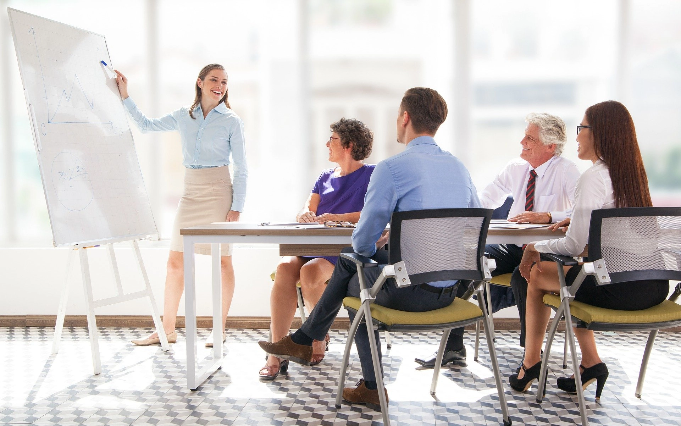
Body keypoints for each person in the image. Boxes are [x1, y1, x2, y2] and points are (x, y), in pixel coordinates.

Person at [259, 87, 480, 409]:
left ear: (405, 118)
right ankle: (308, 342)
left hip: (408, 292)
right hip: (452, 291)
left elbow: (363, 242)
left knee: (354, 272)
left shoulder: (392, 168)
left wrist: (378, 242)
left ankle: (349, 369)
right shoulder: (459, 168)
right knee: (354, 267)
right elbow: (471, 227)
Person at [509, 101, 669, 400]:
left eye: (582, 128)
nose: (578, 136)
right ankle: (590, 363)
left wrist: (534, 246)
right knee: (570, 279)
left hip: (619, 290)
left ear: (600, 134)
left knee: (536, 273)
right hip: (655, 286)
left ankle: (530, 364)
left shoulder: (593, 177)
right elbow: (611, 235)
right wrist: (583, 224)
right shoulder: (632, 175)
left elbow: (571, 245)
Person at [415, 113, 580, 368]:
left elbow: (582, 213)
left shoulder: (567, 171)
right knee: (466, 261)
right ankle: (453, 347)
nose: (522, 141)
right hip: (513, 247)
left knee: (524, 277)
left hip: (546, 251)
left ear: (550, 146)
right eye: (525, 135)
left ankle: (531, 359)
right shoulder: (516, 167)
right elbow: (485, 201)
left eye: (530, 138)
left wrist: (548, 216)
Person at [115, 64, 248, 347]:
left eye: (224, 81)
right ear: (200, 82)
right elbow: (146, 126)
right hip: (190, 193)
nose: (220, 85)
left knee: (223, 262)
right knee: (175, 261)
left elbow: (242, 168)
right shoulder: (183, 116)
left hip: (219, 192)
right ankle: (167, 330)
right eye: (214, 79)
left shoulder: (232, 121)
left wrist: (237, 205)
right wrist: (125, 96)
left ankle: (219, 330)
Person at [260, 118, 375, 380]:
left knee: (311, 272)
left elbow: (372, 212)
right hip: (312, 243)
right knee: (284, 268)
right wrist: (305, 215)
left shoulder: (371, 174)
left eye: (332, 139)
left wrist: (334, 217)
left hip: (342, 250)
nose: (327, 144)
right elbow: (307, 207)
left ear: (349, 144)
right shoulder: (324, 177)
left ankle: (316, 334)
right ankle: (276, 352)